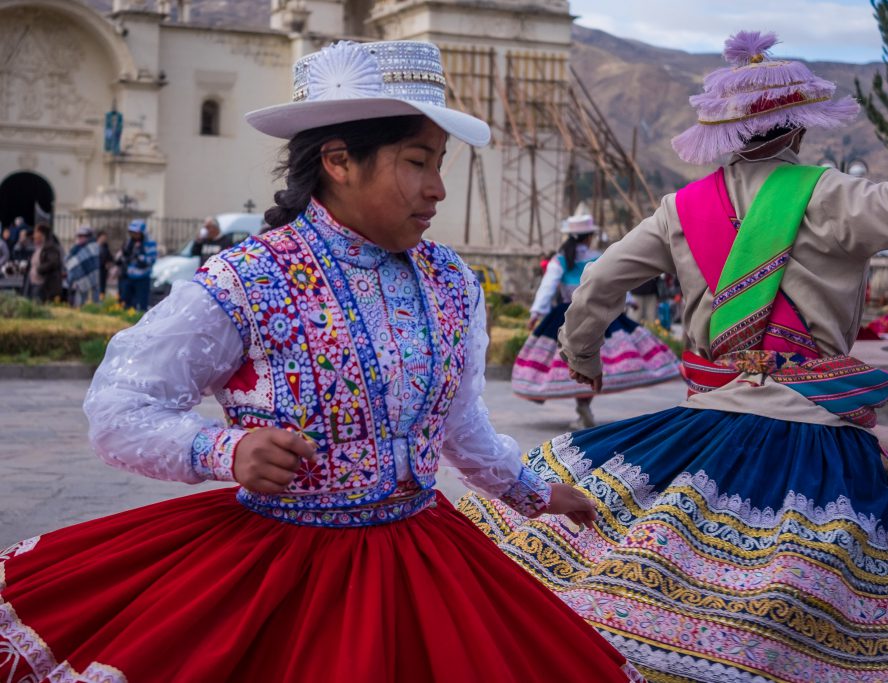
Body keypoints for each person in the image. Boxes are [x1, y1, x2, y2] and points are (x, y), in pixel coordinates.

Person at [0, 40, 641, 683]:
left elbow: (457, 420)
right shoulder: (247, 280)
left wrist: (528, 489)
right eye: (418, 162)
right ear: (338, 161)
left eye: (440, 162)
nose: (438, 188)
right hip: (281, 565)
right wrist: (223, 450)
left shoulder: (451, 282)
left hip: (420, 552)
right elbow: (119, 408)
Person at [459, 32, 888, 682]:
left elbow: (597, 284)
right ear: (800, 127)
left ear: (730, 131)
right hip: (815, 445)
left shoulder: (681, 209)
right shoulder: (831, 195)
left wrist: (582, 356)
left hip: (702, 430)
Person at [513, 214, 680, 429]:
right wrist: (628, 301)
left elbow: (548, 286)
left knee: (574, 356)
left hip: (568, 314)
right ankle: (585, 406)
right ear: (589, 236)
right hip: (599, 315)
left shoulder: (560, 259)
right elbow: (612, 281)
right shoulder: (597, 256)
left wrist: (536, 312)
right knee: (594, 358)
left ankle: (581, 407)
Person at [115, 219, 157, 311]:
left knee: (142, 304)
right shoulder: (129, 243)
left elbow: (152, 260)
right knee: (126, 303)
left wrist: (139, 257)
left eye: (136, 232)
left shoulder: (149, 243)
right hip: (129, 277)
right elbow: (123, 256)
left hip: (142, 278)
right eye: (132, 232)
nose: (134, 235)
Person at [66, 225, 102, 307]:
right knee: (81, 296)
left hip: (93, 275)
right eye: (79, 236)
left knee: (94, 293)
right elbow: (69, 260)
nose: (80, 238)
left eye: (83, 236)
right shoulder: (75, 248)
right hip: (80, 277)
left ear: (88, 236)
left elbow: (95, 262)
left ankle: (94, 308)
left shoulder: (93, 247)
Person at [25, 223, 61, 302]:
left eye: (36, 232)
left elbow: (53, 262)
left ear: (42, 235)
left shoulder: (50, 248)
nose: (34, 235)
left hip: (43, 285)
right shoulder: (38, 248)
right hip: (34, 283)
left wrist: (39, 270)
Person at [96, 230, 113, 298]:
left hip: (103, 270)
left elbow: (110, 257)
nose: (105, 239)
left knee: (102, 286)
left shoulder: (106, 247)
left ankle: (101, 298)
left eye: (105, 237)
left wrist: (109, 263)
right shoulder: (94, 246)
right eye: (103, 237)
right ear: (99, 237)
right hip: (96, 270)